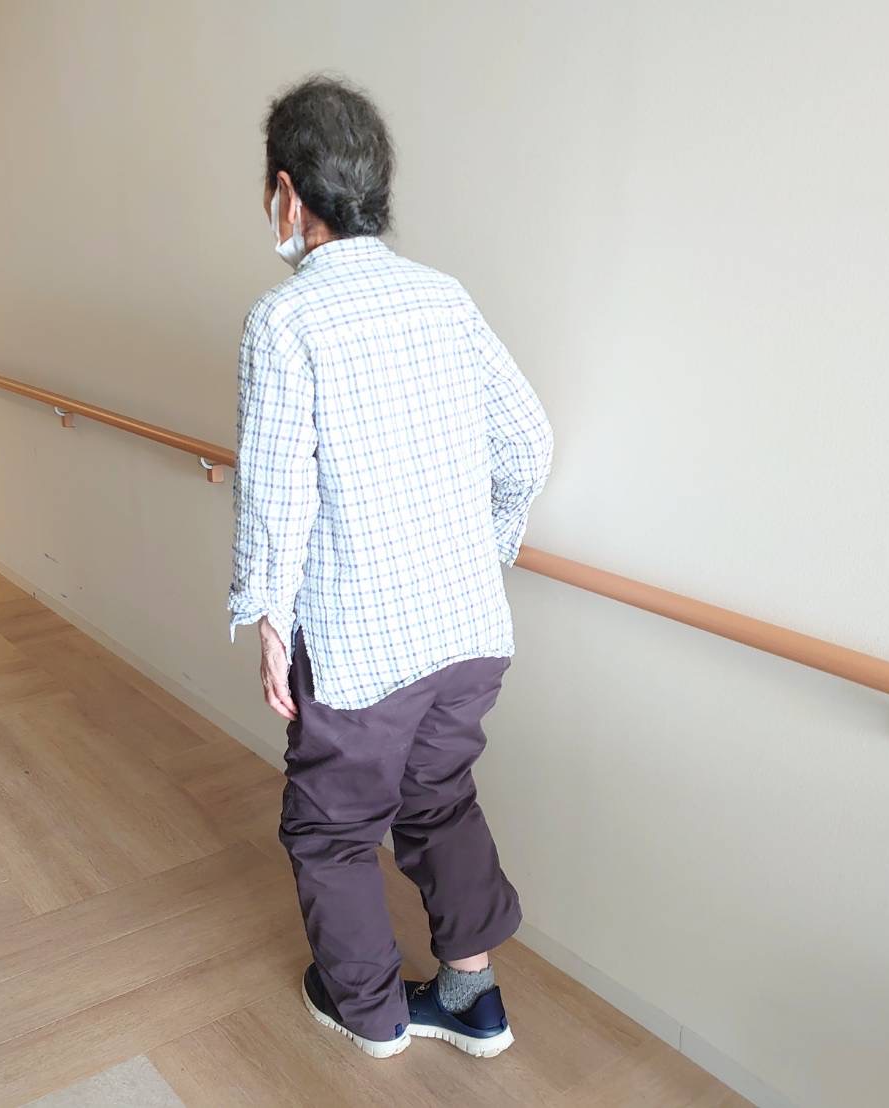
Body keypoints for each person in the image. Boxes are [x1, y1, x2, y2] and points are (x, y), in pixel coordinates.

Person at [229, 74, 553, 1061]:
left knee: (330, 831)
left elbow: (277, 495)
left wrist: (270, 624)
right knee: (438, 799)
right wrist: (483, 548)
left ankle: (370, 1012)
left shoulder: (286, 320)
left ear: (289, 194)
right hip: (468, 633)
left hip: (362, 649)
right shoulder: (443, 298)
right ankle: (472, 999)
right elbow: (528, 442)